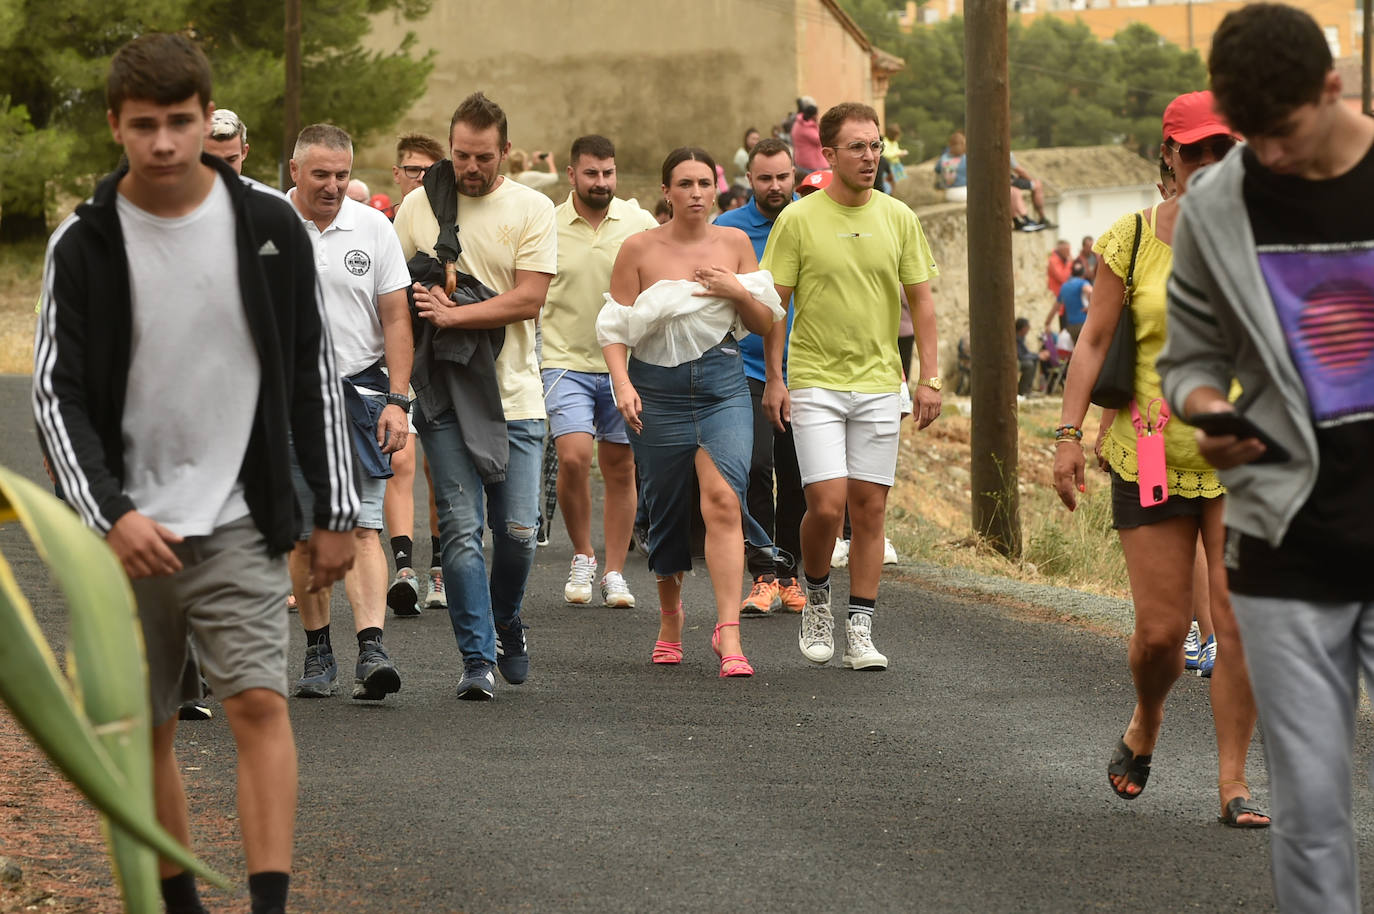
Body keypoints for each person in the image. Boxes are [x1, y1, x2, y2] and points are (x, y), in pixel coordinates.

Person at [33, 33, 357, 914]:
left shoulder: (267, 226)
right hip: (128, 531)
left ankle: (267, 904)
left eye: (181, 122)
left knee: (258, 704)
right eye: (147, 125)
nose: (166, 143)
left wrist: (335, 507)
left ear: (205, 120)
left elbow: (308, 371)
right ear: (116, 127)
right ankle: (177, 904)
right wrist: (107, 515)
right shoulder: (84, 243)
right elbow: (55, 398)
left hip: (242, 515)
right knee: (146, 728)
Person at [1159, 5, 1374, 908]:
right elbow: (1191, 360)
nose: (1268, 159)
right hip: (1285, 536)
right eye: (1252, 138)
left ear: (1334, 89)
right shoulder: (1217, 203)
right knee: (1313, 812)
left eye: (1280, 134)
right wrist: (1206, 407)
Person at [1052, 91, 1267, 830]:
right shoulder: (1132, 239)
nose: (1209, 165)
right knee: (1160, 634)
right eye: (1195, 151)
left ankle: (1233, 784)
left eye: (1223, 151)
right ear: (1169, 158)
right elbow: (1091, 341)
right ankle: (1147, 716)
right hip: (1150, 452)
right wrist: (1067, 436)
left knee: (1238, 624)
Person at [762, 102, 941, 671]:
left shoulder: (899, 217)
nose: (870, 156)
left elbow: (924, 305)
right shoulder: (798, 219)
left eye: (876, 144)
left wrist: (929, 378)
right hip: (815, 379)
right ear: (830, 154)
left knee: (870, 509)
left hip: (881, 382)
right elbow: (775, 308)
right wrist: (775, 377)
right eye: (858, 147)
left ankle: (860, 627)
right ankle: (816, 593)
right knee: (826, 504)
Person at [598, 146, 783, 678]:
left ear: (716, 188)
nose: (696, 193)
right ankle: (671, 616)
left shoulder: (735, 242)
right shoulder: (638, 248)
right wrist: (623, 383)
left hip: (723, 384)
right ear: (667, 191)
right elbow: (614, 329)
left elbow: (766, 320)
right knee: (667, 509)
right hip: (655, 389)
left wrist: (734, 288)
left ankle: (729, 634)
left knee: (724, 499)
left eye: (704, 183)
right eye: (685, 184)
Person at [395, 92, 556, 701]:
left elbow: (529, 298)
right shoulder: (417, 207)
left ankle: (506, 618)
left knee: (516, 533)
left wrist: (458, 316)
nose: (469, 167)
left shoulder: (532, 208)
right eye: (461, 155)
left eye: (482, 157)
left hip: (515, 396)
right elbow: (395, 294)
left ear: (505, 152)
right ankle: (476, 658)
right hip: (442, 398)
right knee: (461, 531)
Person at [285, 125, 412, 702]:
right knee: (304, 536)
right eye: (321, 175)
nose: (334, 186)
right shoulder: (265, 227)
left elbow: (396, 321)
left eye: (342, 174)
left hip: (358, 394)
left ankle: (371, 649)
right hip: (284, 399)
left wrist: (397, 399)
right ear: (295, 172)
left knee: (363, 526)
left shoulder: (374, 227)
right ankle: (317, 653)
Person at [541, 135, 658, 607]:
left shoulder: (637, 221)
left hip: (625, 366)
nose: (602, 182)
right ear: (571, 174)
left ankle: (612, 572)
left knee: (620, 466)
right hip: (562, 358)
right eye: (591, 173)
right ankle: (583, 555)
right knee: (571, 457)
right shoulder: (546, 222)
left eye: (608, 172)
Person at [715, 138, 806, 615]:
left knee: (797, 477)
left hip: (808, 368)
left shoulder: (812, 220)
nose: (775, 186)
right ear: (749, 180)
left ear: (795, 175)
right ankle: (762, 573)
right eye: (765, 178)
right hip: (743, 367)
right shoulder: (727, 230)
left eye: (782, 177)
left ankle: (790, 576)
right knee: (753, 466)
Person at [382, 132, 449, 613]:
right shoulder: (380, 226)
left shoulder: (448, 222)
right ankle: (404, 566)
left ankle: (439, 572)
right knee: (399, 460)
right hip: (395, 358)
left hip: (441, 358)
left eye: (428, 171)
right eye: (411, 170)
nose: (418, 179)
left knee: (438, 467)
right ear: (396, 173)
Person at [1045, 260, 1091, 342]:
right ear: (1083, 273)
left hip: (1071, 326)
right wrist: (1090, 307)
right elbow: (1090, 292)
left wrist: (1047, 322)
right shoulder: (1083, 283)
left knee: (1077, 350)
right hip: (1084, 323)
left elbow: (1055, 307)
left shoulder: (1064, 286)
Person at [205, 107, 249, 174]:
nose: (223, 170)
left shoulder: (256, 184)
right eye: (213, 161)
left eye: (231, 160)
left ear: (244, 152)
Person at [1011, 153, 1049, 225]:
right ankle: (1042, 218)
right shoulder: (1008, 153)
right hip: (1008, 181)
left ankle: (1018, 220)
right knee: (1037, 185)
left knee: (1014, 190)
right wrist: (1031, 180)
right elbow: (1020, 171)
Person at [790, 98, 826, 175]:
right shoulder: (806, 127)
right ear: (814, 115)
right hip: (809, 164)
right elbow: (821, 140)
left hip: (802, 160)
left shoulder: (799, 123)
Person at [934, 130, 967, 202]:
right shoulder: (966, 158)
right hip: (963, 191)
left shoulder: (944, 158)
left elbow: (937, 170)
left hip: (949, 192)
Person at [1015, 317, 1038, 398]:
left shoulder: (1021, 338)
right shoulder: (1016, 338)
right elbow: (1021, 356)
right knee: (1029, 364)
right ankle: (1022, 390)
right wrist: (1037, 355)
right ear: (1023, 328)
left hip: (1019, 360)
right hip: (1016, 361)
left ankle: (1027, 389)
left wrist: (1036, 356)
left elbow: (1026, 353)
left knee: (1034, 360)